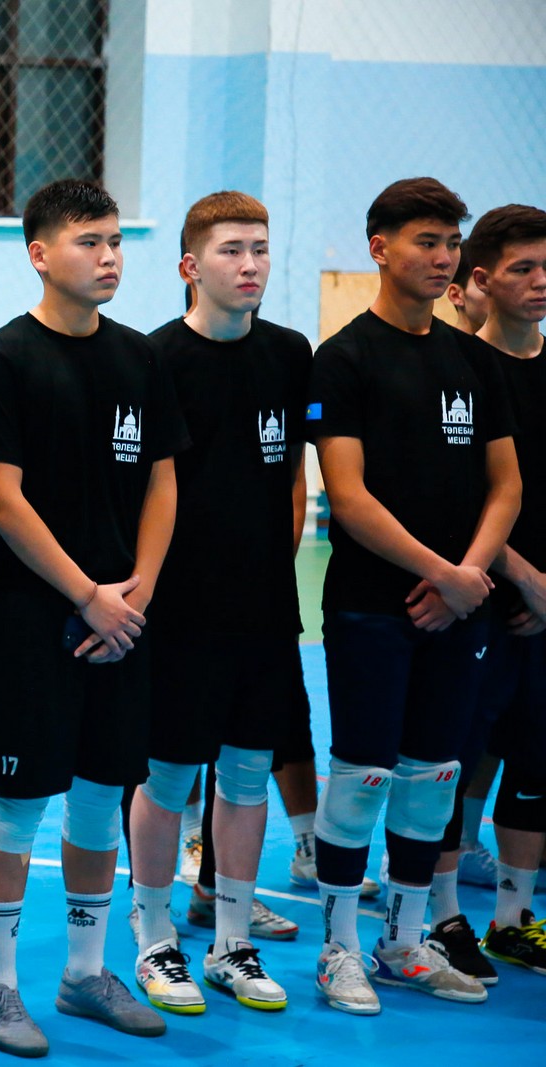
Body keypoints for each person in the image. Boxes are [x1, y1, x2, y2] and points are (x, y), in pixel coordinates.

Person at [0, 179, 186, 1056]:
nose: (109, 257)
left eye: (116, 241)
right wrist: (86, 592)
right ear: (40, 253)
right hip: (32, 612)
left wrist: (138, 591)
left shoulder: (140, 358)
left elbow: (163, 482)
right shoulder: (3, 359)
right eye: (90, 241)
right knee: (18, 802)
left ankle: (86, 972)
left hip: (124, 616)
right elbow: (1, 498)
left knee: (101, 795)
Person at [305, 177, 520, 1014]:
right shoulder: (344, 358)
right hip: (372, 606)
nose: (443, 258)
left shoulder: (472, 360)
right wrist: (445, 573)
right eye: (427, 241)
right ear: (380, 247)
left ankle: (402, 940)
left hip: (459, 607)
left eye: (451, 243)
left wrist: (467, 578)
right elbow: (349, 497)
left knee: (433, 775)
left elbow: (505, 485)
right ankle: (339, 947)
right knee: (361, 776)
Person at [128, 191, 309, 1016]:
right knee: (167, 776)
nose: (250, 265)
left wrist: (279, 558)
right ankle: (154, 936)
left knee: (246, 774)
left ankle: (232, 941)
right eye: (232, 250)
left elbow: (293, 472)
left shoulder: (290, 352)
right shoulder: (154, 358)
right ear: (190, 266)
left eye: (260, 249)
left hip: (264, 609)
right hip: (179, 613)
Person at [425, 204, 546, 980]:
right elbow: (462, 493)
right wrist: (523, 578)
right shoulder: (460, 372)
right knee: (454, 758)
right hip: (479, 599)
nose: (540, 282)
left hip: (545, 611)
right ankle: (442, 916)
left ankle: (512, 917)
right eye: (523, 268)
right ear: (482, 279)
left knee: (536, 758)